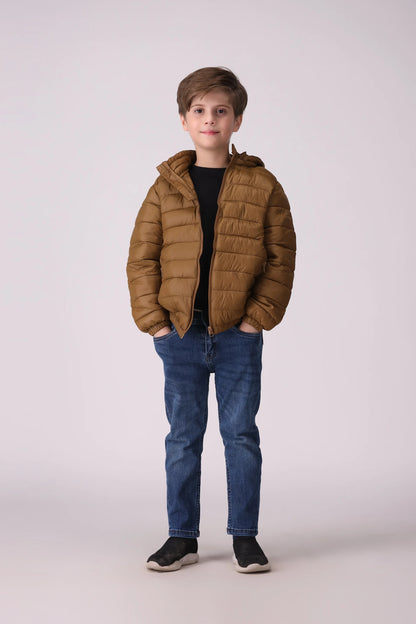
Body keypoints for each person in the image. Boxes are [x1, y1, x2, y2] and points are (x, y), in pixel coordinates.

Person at [126, 67, 296, 573]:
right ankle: (182, 538)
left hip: (238, 334)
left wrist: (255, 319)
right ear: (184, 120)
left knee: (240, 434)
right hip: (179, 333)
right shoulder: (165, 188)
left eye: (221, 110)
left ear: (237, 119)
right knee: (183, 436)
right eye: (199, 110)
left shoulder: (262, 185)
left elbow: (281, 257)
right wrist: (155, 323)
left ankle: (245, 537)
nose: (210, 119)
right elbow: (142, 259)